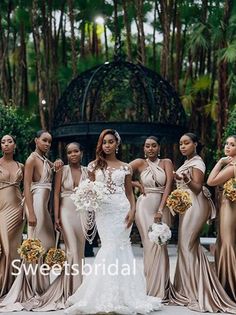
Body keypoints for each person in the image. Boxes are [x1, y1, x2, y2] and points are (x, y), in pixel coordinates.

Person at [65, 129, 161, 314]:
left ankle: (125, 295)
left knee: (121, 247)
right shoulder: (93, 166)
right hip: (104, 212)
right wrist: (88, 200)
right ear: (100, 145)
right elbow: (90, 189)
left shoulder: (126, 167)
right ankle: (102, 293)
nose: (107, 145)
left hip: (122, 210)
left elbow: (128, 192)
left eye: (110, 142)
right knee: (108, 246)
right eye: (104, 142)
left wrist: (132, 211)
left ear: (117, 144)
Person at [170, 132, 236, 313]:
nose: (182, 146)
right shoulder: (187, 162)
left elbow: (199, 188)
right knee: (187, 247)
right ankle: (188, 288)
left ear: (196, 144)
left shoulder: (198, 162)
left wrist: (185, 179)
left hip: (195, 204)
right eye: (181, 143)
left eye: (186, 143)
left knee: (186, 245)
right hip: (188, 205)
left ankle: (196, 291)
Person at [0, 130, 62, 312]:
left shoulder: (43, 160)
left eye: (49, 141)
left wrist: (58, 162)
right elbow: (26, 187)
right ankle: (33, 288)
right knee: (36, 248)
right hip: (35, 206)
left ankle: (41, 287)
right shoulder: (31, 160)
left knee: (46, 245)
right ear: (36, 140)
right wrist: (31, 213)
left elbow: (56, 168)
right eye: (44, 140)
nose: (47, 144)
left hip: (43, 208)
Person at [24, 142, 88, 311]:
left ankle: (78, 289)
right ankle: (70, 291)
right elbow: (56, 194)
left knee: (79, 253)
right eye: (69, 152)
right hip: (66, 212)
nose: (73, 154)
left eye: (76, 151)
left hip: (82, 214)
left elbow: (93, 192)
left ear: (81, 152)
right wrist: (57, 217)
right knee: (71, 250)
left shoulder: (88, 171)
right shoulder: (62, 170)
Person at [129, 136, 173, 300]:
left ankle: (162, 288)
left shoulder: (166, 162)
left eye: (154, 146)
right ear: (144, 149)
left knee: (161, 245)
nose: (150, 149)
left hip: (162, 206)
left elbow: (168, 186)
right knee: (150, 245)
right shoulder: (140, 163)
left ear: (159, 147)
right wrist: (137, 185)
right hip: (144, 207)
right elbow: (120, 173)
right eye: (147, 146)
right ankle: (151, 289)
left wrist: (161, 209)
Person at [207, 135, 236, 302]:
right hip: (228, 207)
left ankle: (228, 287)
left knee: (227, 243)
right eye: (226, 144)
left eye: (232, 145)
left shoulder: (231, 167)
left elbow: (211, 181)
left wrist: (220, 162)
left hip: (229, 208)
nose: (227, 147)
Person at [0, 135, 24, 297]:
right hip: (1, 209)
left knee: (14, 249)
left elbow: (33, 184)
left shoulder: (21, 165)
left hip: (18, 209)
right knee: (5, 249)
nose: (6, 144)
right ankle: (2, 284)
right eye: (3, 142)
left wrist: (57, 162)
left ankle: (12, 288)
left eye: (9, 141)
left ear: (15, 145)